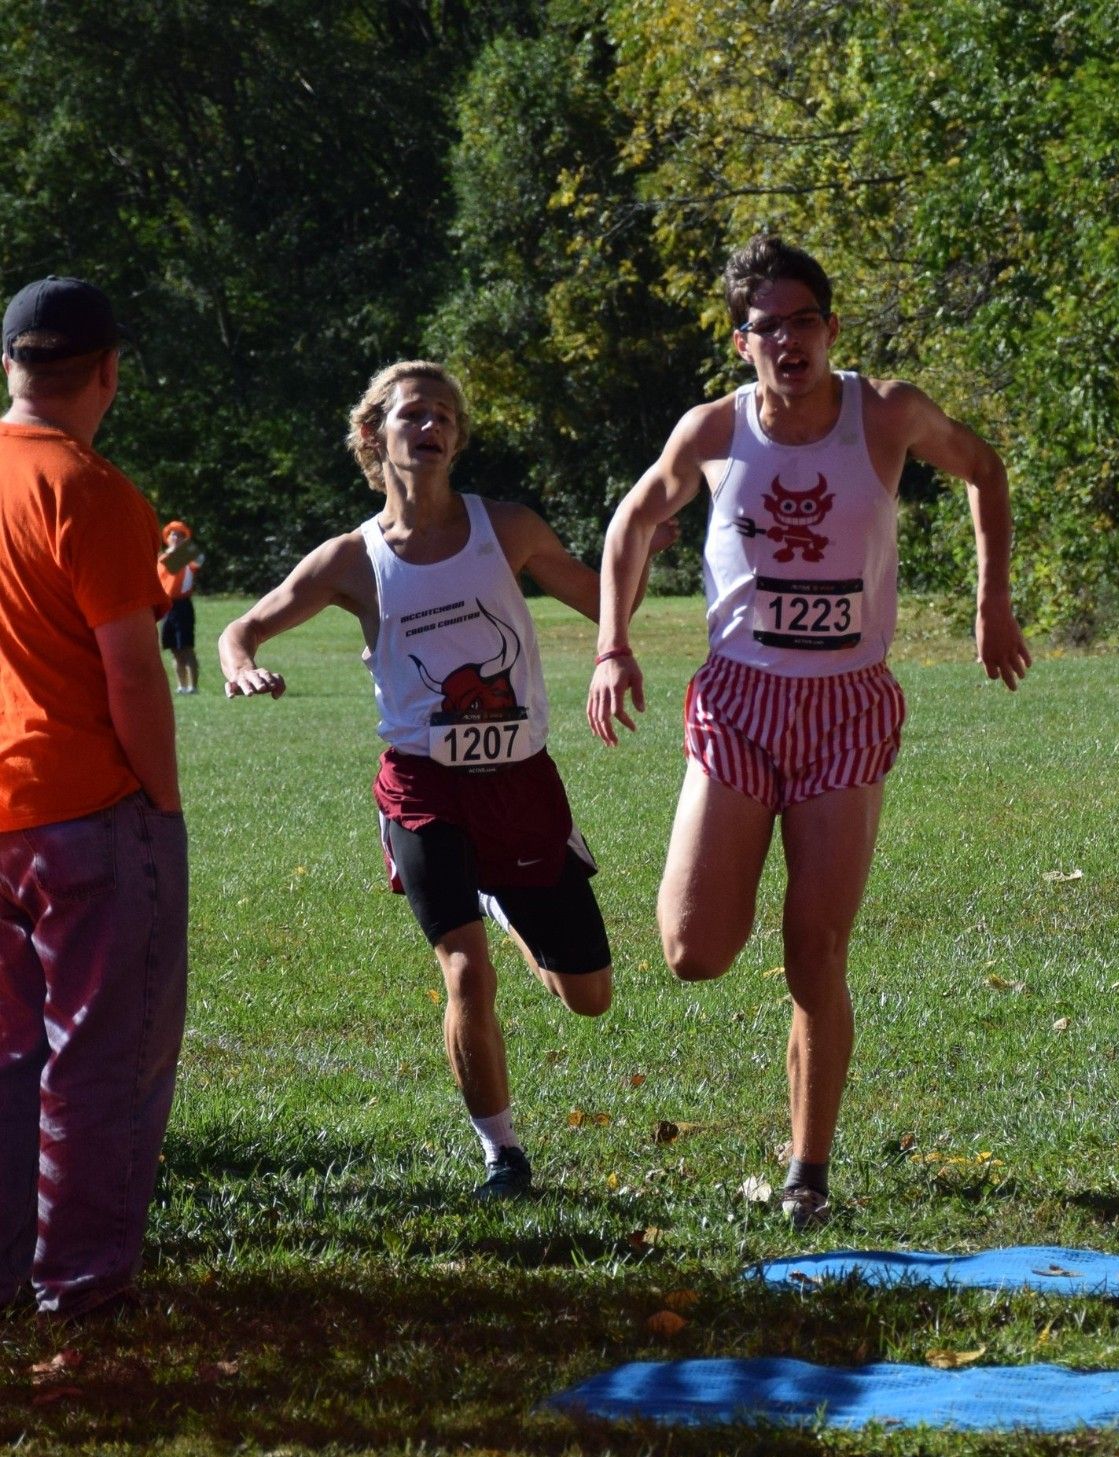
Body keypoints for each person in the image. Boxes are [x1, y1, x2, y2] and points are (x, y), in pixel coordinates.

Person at [588, 234, 1032, 1228]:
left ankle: (806, 1168)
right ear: (740, 342)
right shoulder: (711, 431)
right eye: (766, 327)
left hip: (845, 705)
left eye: (803, 321)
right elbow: (628, 523)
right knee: (694, 949)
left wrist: (988, 603)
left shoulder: (885, 413)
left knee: (812, 950)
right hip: (740, 701)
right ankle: (727, 883)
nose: (787, 341)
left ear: (829, 328)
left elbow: (983, 469)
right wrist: (612, 644)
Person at [219, 360, 671, 1200]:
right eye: (411, 416)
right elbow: (242, 627)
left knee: (591, 998)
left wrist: (638, 548)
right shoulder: (350, 560)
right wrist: (241, 663)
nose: (428, 429)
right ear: (372, 435)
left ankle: (500, 902)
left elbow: (604, 603)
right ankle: (502, 1155)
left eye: (443, 419)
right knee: (465, 972)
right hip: (423, 787)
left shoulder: (508, 528)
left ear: (457, 439)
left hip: (522, 783)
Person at [0, 276, 187, 1317]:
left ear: (11, 365)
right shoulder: (92, 490)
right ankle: (81, 1280)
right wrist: (159, 801)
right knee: (102, 1055)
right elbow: (130, 671)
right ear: (109, 370)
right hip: (85, 813)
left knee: (9, 1055)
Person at [158, 518, 203, 693]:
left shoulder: (188, 556)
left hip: (183, 605)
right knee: (173, 648)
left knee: (186, 646)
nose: (175, 537)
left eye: (179, 535)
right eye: (172, 534)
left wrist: (184, 549)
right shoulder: (163, 559)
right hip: (168, 606)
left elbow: (199, 559)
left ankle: (193, 686)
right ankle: (181, 686)